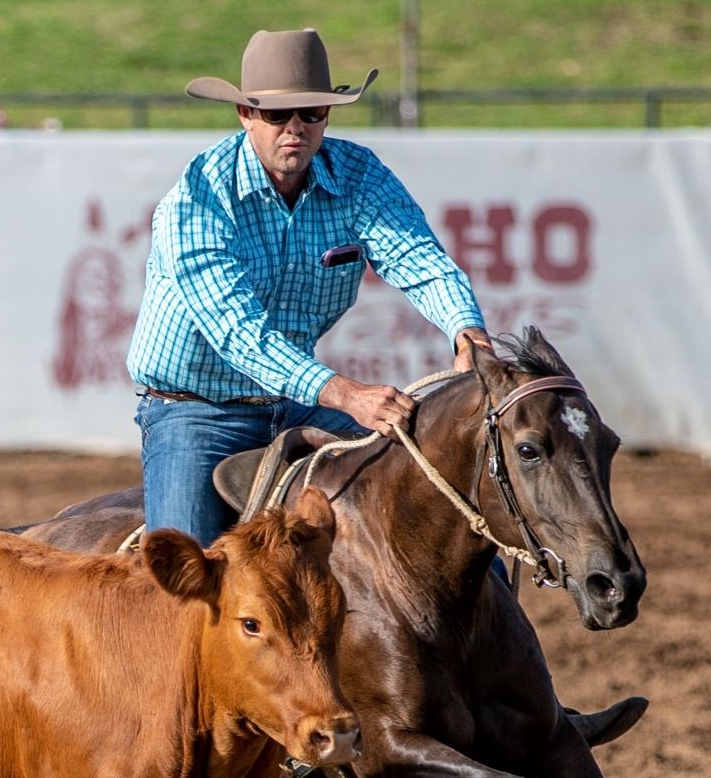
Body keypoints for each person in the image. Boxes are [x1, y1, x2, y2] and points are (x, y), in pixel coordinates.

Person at [127, 27, 493, 546]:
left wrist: (467, 333)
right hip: (195, 410)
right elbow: (237, 333)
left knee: (444, 502)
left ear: (327, 115)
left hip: (293, 401)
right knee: (190, 573)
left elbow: (419, 260)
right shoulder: (199, 197)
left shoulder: (358, 174)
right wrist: (348, 395)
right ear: (245, 114)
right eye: (278, 114)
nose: (295, 128)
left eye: (312, 112)